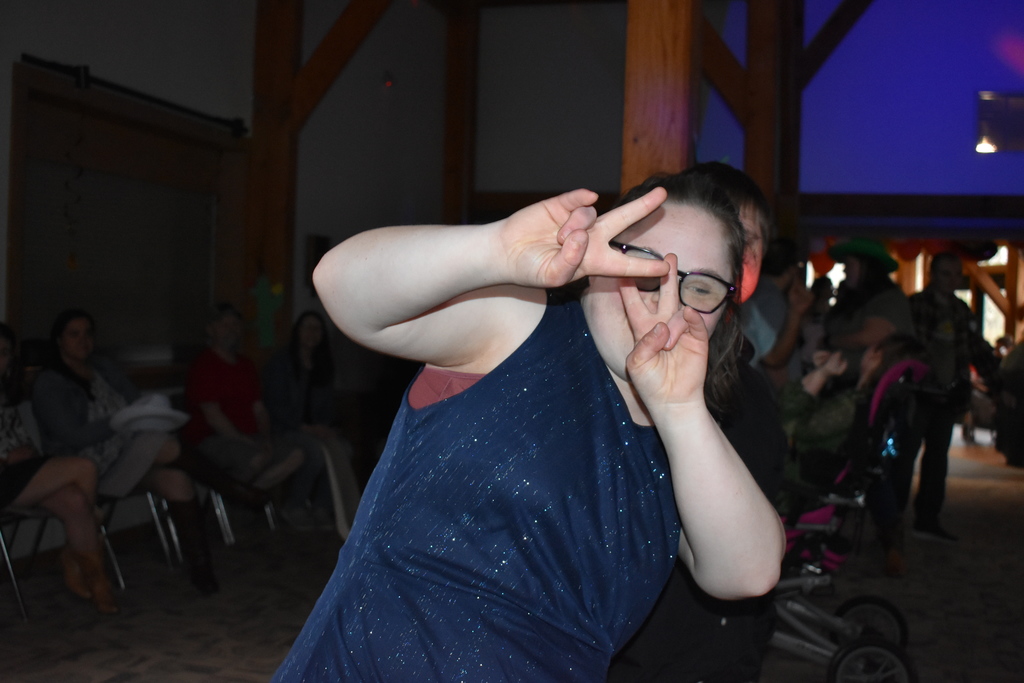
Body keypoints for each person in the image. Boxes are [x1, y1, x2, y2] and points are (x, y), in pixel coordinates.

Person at [273, 173, 785, 681]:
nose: (662, 300)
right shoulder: (519, 325)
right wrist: (495, 247)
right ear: (598, 258)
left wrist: (680, 409)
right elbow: (339, 286)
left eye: (698, 286)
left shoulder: (681, 441)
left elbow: (747, 573)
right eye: (642, 265)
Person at [609, 161, 788, 683]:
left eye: (752, 243)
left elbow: (750, 561)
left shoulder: (743, 385)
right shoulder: (613, 377)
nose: (744, 254)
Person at [32, 309, 219, 594]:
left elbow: (136, 403)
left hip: (123, 457)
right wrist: (118, 421)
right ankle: (233, 488)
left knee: (176, 480)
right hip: (84, 469)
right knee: (162, 443)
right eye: (74, 334)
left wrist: (141, 415)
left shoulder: (104, 368)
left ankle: (202, 568)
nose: (83, 340)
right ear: (59, 340)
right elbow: (72, 436)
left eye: (88, 334)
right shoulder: (49, 382)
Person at [779, 334, 926, 577]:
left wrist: (822, 375)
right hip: (812, 489)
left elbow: (789, 422)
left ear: (878, 357)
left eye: (872, 348)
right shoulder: (871, 406)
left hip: (792, 493)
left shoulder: (853, 407)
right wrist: (825, 373)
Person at [1, 322, 119, 614]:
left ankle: (94, 578)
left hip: (20, 475)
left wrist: (25, 454)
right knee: (84, 467)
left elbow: (20, 441)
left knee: (76, 501)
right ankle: (78, 553)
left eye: (3, 353)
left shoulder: (4, 395)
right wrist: (5, 460)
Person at [895, 252, 999, 542]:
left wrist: (998, 384)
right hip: (918, 395)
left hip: (948, 396)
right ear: (933, 275)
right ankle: (891, 522)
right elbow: (904, 348)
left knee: (938, 461)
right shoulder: (914, 305)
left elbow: (977, 349)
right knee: (904, 458)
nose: (952, 280)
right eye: (946, 274)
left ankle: (927, 519)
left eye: (956, 275)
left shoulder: (960, 310)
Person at [182, 304, 305, 497]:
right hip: (213, 439)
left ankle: (246, 499)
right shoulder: (204, 365)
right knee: (255, 459)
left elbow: (259, 409)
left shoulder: (246, 365)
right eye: (225, 324)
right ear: (211, 329)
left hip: (251, 436)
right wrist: (245, 442)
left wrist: (265, 438)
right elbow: (214, 417)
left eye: (236, 324)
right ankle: (234, 506)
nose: (231, 329)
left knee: (295, 455)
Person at [262, 311, 361, 533]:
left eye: (317, 329)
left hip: (313, 429)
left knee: (343, 449)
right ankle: (294, 505)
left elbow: (326, 407)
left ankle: (322, 506)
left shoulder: (322, 365)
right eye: (307, 327)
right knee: (314, 453)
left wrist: (326, 427)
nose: (312, 333)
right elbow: (275, 406)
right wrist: (305, 427)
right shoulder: (281, 363)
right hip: (286, 428)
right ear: (297, 331)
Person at [823, 238, 915, 389]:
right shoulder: (854, 298)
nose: (844, 270)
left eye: (849, 264)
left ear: (867, 266)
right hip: (845, 385)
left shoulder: (888, 298)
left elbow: (871, 336)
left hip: (871, 389)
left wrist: (830, 341)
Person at [742, 237, 814, 391]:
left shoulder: (755, 294)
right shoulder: (772, 298)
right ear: (793, 270)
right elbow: (774, 362)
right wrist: (786, 399)